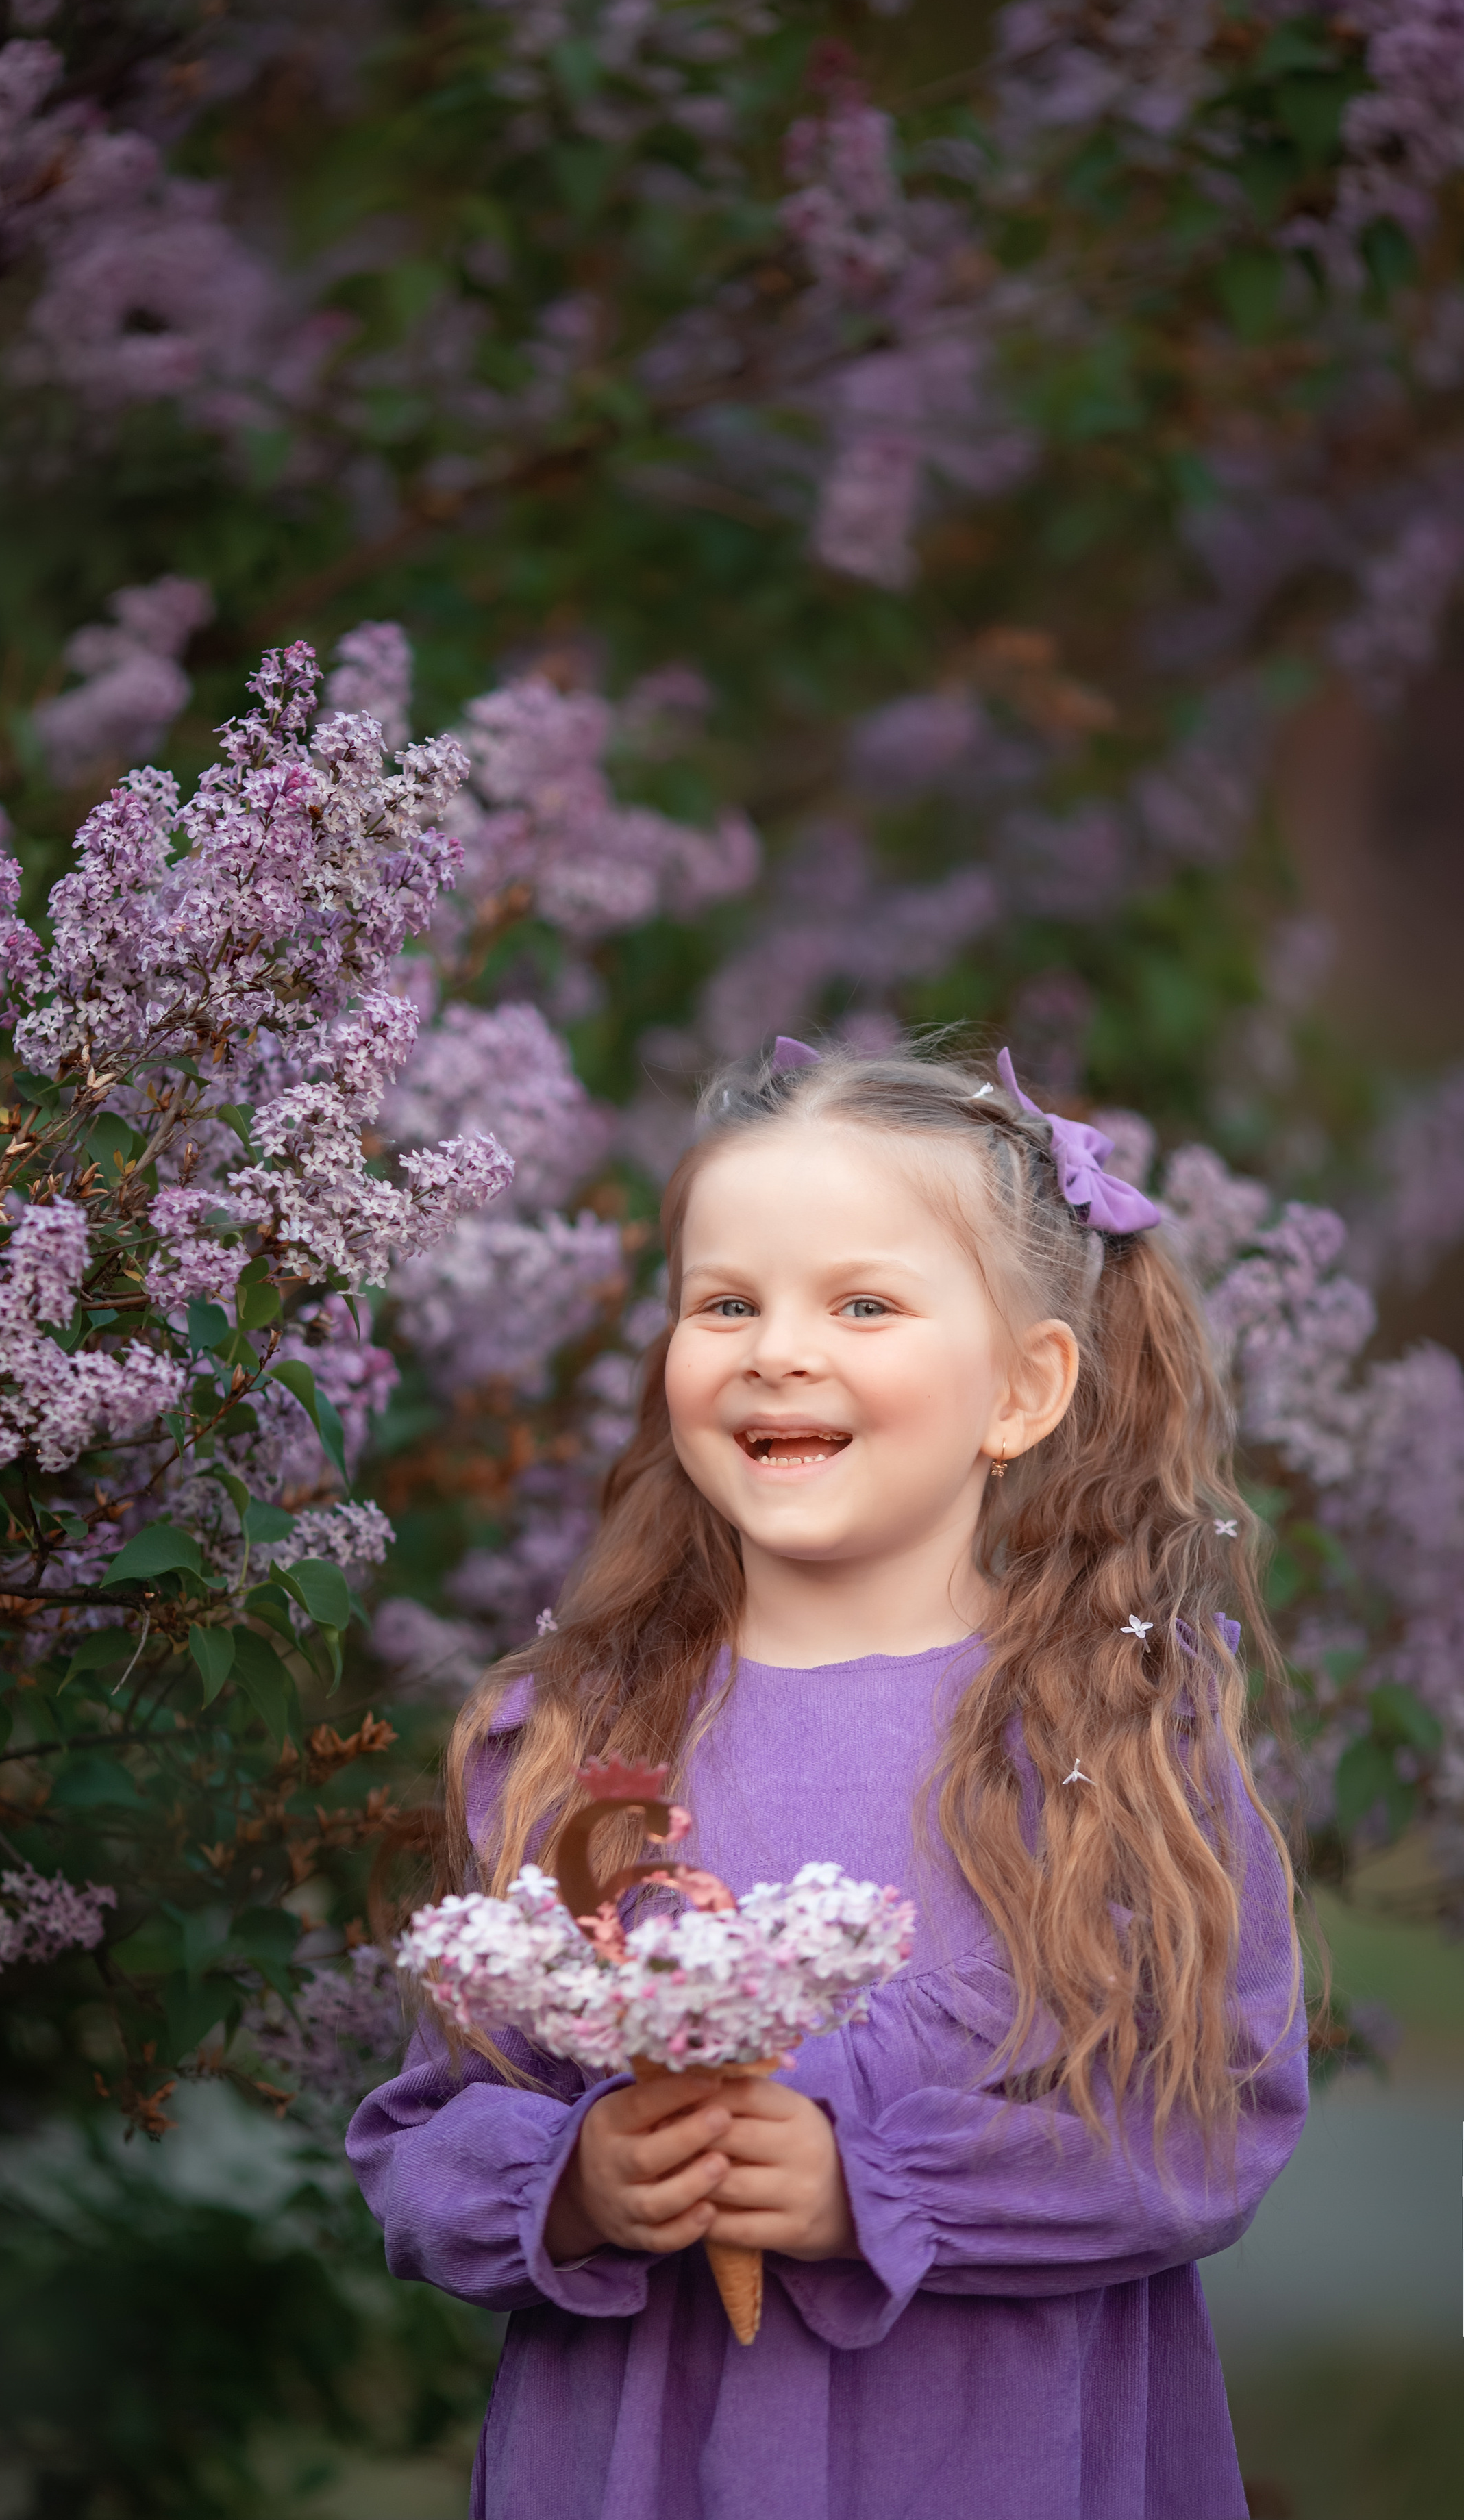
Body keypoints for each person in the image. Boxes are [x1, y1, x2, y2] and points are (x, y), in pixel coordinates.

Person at [347, 1039, 1308, 2520]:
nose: (776, 1349)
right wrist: (574, 2179)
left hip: (996, 2462)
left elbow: (1209, 2127)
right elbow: (421, 2138)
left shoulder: (1114, 1732)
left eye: (861, 1304)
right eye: (724, 1303)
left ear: (1022, 1388)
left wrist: (879, 2189)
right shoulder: (568, 1734)